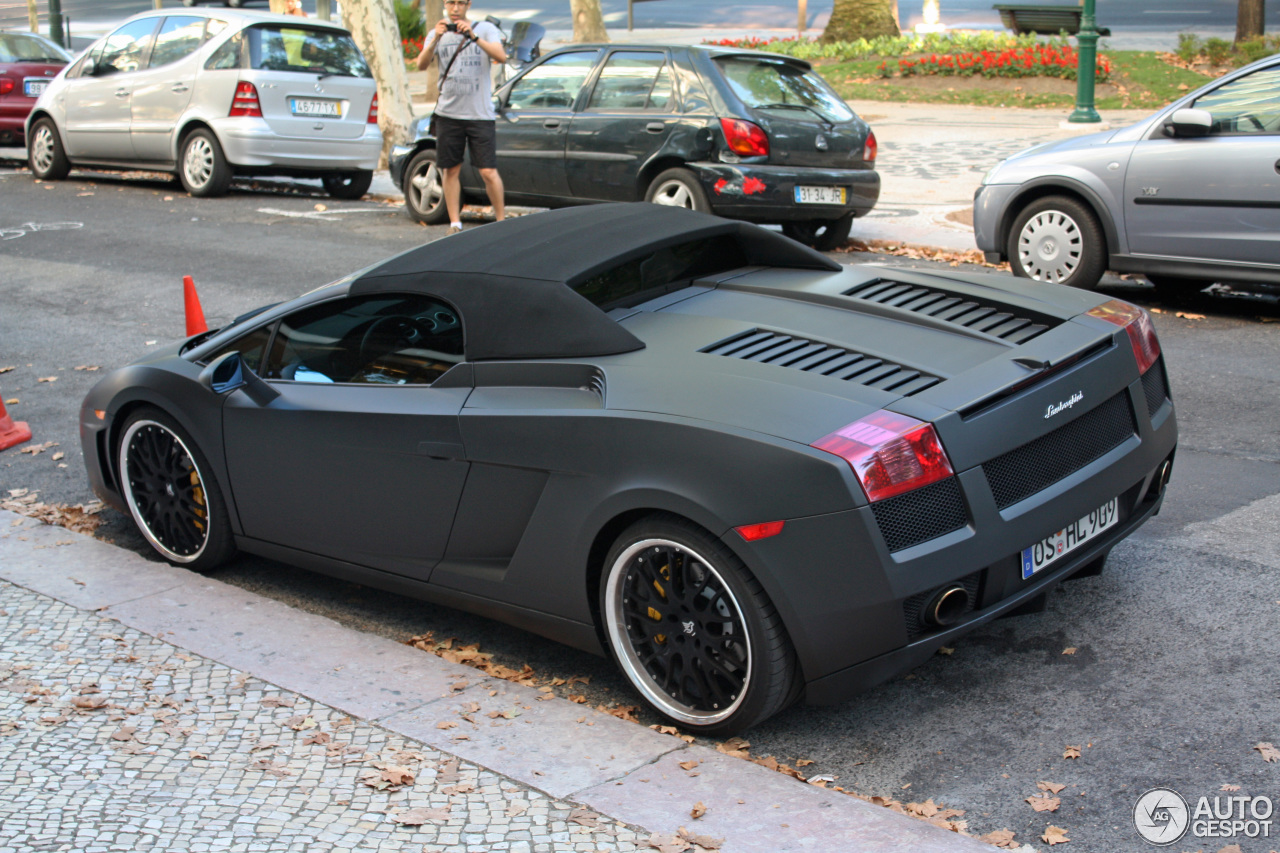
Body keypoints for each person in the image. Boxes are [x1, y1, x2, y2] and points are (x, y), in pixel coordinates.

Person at [416, 0, 507, 234]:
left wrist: (474, 37)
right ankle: (455, 223)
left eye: (460, 3)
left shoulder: (485, 29)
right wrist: (435, 39)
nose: (455, 8)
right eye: (451, 3)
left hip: (480, 114)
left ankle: (502, 221)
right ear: (445, 4)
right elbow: (421, 64)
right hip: (449, 114)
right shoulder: (437, 32)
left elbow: (501, 56)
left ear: (468, 5)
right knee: (450, 169)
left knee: (488, 170)